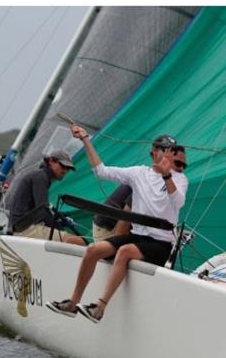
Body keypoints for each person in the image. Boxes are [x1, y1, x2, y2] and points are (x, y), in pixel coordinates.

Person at [47, 129, 188, 322]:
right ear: (154, 152)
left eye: (173, 152)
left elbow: (178, 202)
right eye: (166, 150)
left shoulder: (179, 179)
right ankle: (73, 303)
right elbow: (101, 170)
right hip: (138, 236)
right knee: (93, 250)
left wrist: (166, 175)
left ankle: (100, 308)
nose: (171, 156)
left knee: (125, 252)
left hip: (161, 243)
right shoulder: (139, 173)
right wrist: (85, 139)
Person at [3, 149, 86, 244]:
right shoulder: (41, 177)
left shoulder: (39, 175)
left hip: (20, 227)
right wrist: (60, 228)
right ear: (51, 161)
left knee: (69, 238)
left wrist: (58, 219)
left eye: (68, 168)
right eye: (63, 166)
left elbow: (40, 210)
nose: (65, 170)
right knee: (78, 241)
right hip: (23, 229)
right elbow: (42, 211)